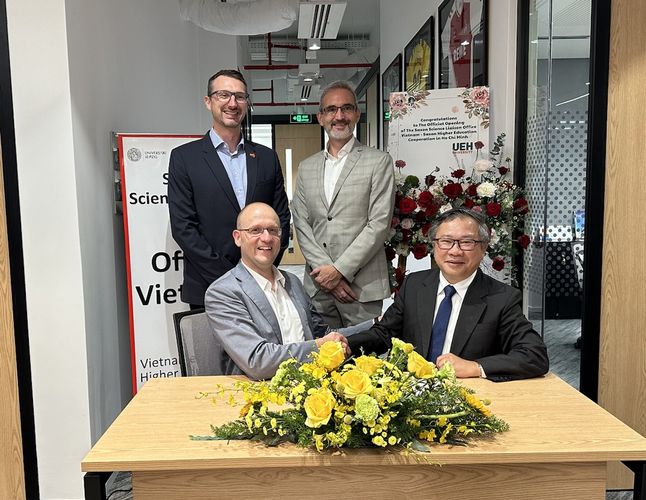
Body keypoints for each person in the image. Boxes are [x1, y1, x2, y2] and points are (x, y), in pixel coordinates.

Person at [348, 208, 549, 382]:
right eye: (446, 241)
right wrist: (346, 344)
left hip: (468, 399)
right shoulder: (415, 285)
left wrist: (474, 367)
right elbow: (384, 334)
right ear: (434, 245)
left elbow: (534, 355)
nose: (455, 251)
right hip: (411, 396)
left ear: (483, 247)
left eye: (467, 242)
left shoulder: (502, 297)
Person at [205, 202, 370, 381]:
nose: (266, 238)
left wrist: (377, 324)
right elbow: (258, 362)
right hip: (258, 395)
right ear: (237, 237)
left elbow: (325, 334)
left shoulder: (292, 282)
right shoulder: (223, 293)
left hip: (312, 388)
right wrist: (319, 347)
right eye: (255, 230)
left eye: (273, 230)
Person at [168, 69, 290, 308]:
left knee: (266, 347)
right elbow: (184, 228)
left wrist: (262, 268)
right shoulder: (184, 158)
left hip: (263, 285)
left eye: (240, 96)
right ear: (208, 101)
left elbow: (281, 219)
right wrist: (232, 280)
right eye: (223, 95)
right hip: (209, 286)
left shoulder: (266, 157)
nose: (232, 103)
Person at [292, 81, 395, 329]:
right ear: (320, 117)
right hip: (318, 287)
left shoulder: (378, 162)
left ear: (357, 114)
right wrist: (326, 274)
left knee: (366, 360)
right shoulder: (307, 167)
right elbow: (302, 223)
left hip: (361, 287)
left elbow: (378, 224)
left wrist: (339, 271)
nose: (339, 116)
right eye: (331, 109)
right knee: (320, 360)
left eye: (347, 108)